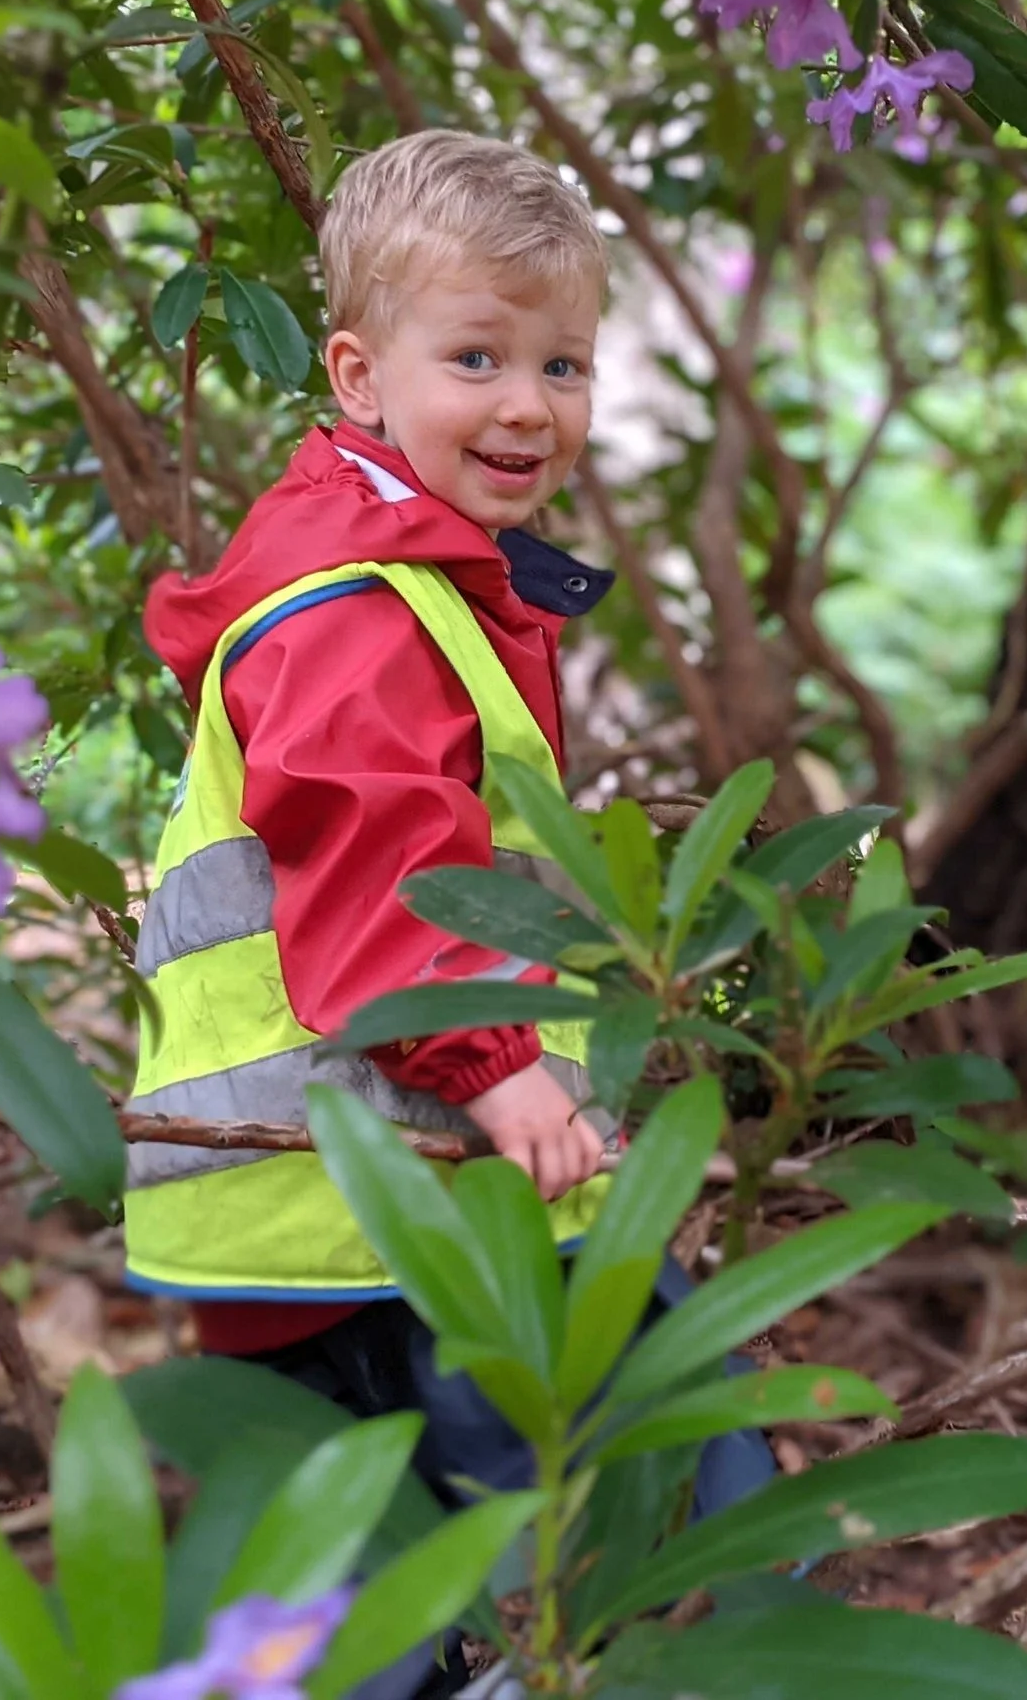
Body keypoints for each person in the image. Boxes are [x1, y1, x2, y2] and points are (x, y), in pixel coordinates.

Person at [128, 134, 772, 1627]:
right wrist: (499, 1072)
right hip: (383, 1194)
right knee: (632, 1505)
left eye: (563, 365)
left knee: (375, 1586)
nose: (528, 406)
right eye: (476, 355)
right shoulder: (354, 607)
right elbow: (376, 859)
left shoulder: (405, 570)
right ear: (357, 376)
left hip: (347, 1201)